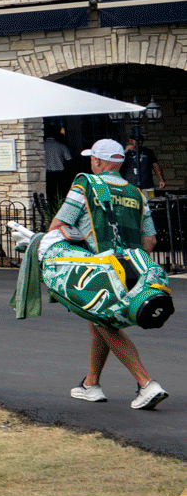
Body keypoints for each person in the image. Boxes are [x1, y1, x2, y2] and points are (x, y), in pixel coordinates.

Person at [53, 137, 167, 409]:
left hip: (97, 272)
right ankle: (90, 385)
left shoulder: (86, 184)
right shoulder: (137, 193)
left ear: (99, 162)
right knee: (98, 325)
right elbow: (149, 240)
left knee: (105, 324)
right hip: (131, 271)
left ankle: (146, 384)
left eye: (93, 158)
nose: (91, 162)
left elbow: (59, 224)